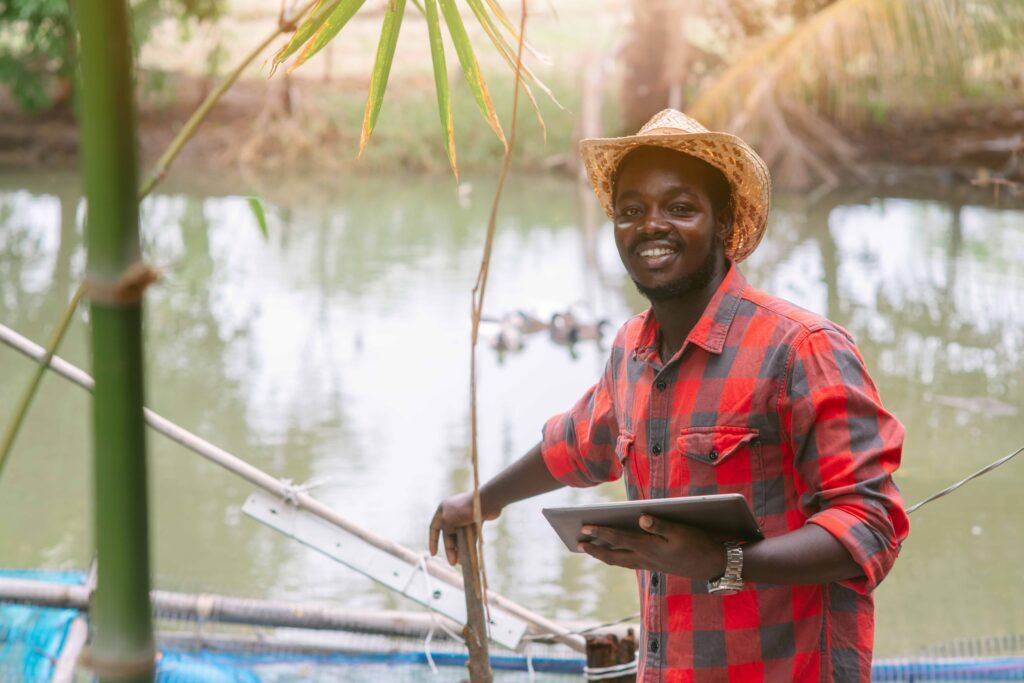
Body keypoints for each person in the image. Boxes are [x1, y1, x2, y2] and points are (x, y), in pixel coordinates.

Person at [428, 109, 909, 682]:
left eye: (680, 208)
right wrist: (483, 501)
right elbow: (581, 443)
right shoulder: (633, 349)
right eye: (631, 211)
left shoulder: (801, 349)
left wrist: (720, 562)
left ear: (724, 222)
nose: (651, 226)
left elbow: (870, 525)